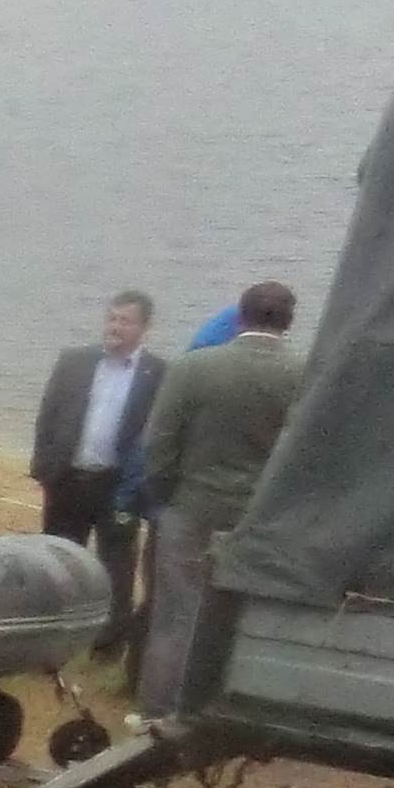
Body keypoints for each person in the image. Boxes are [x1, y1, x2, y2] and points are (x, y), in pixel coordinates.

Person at [136, 280, 305, 716]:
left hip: (192, 505)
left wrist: (165, 495)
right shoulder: (304, 375)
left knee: (176, 614)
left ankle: (159, 711)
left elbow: (158, 442)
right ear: (289, 323)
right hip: (257, 516)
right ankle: (224, 708)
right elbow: (306, 454)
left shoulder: (194, 368)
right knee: (241, 616)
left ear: (241, 316)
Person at [29, 290, 165, 657]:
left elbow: (158, 436)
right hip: (68, 479)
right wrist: (43, 468)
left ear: (145, 328)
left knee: (117, 569)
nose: (115, 327)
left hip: (119, 486)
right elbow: (49, 415)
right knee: (58, 561)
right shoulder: (75, 361)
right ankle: (50, 641)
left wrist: (142, 489)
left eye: (125, 321)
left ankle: (106, 647)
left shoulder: (158, 374)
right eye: (112, 318)